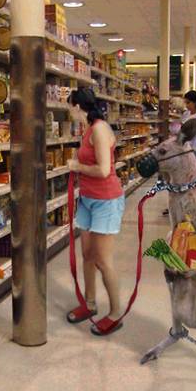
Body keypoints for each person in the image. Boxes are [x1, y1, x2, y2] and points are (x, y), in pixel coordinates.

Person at [65, 87, 125, 336]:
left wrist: (76, 166)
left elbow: (103, 170)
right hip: (88, 199)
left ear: (77, 106)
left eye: (69, 106)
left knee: (102, 260)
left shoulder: (99, 129)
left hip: (105, 201)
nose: (69, 111)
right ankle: (89, 303)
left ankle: (116, 313)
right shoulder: (88, 129)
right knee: (87, 255)